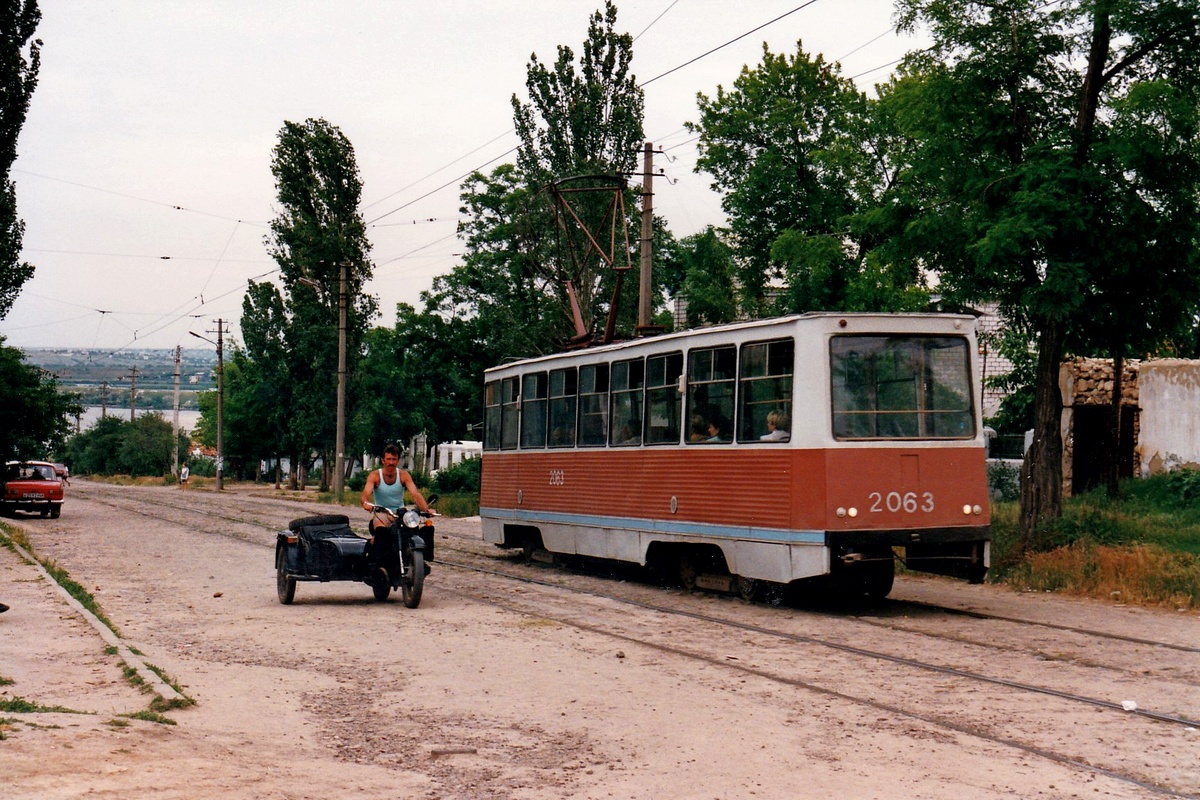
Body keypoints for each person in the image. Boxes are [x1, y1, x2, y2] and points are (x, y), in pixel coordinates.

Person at [361, 443, 436, 563]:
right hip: (382, 512)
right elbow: (366, 493)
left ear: (398, 460)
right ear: (383, 460)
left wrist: (426, 509)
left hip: (400, 512)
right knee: (381, 533)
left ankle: (419, 560)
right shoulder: (375, 476)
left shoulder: (403, 475)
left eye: (394, 459)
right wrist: (365, 503)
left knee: (416, 531)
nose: (391, 462)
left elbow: (415, 493)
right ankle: (376, 564)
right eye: (388, 459)